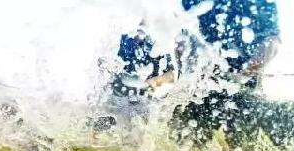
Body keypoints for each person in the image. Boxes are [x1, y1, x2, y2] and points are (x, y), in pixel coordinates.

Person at [113, 0, 280, 95]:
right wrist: (160, 80)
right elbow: (184, 57)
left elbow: (271, 43)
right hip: (195, 86)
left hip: (242, 86)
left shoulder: (257, 3)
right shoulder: (188, 4)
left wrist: (242, 75)